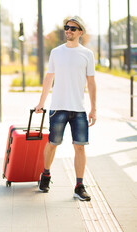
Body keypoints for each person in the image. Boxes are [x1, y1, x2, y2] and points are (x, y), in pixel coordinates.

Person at [35, 16, 97, 201]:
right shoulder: (56, 52)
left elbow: (91, 82)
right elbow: (49, 78)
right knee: (53, 144)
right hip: (58, 107)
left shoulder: (87, 54)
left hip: (78, 109)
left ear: (80, 32)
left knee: (80, 147)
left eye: (72, 28)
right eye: (66, 27)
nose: (68, 30)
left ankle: (79, 185)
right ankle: (45, 175)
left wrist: (94, 109)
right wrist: (41, 103)